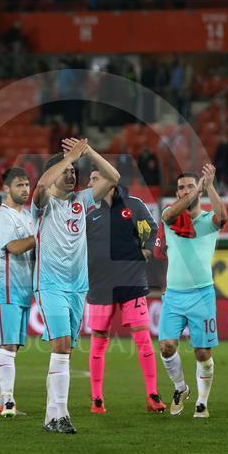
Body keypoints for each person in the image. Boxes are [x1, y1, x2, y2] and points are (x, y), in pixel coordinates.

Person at [33, 138, 120, 434]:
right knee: (60, 346)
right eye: (66, 170)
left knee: (65, 352)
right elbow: (41, 188)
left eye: (74, 170)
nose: (72, 174)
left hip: (78, 288)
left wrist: (89, 152)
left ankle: (50, 416)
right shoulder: (43, 205)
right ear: (55, 172)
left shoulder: (82, 201)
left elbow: (113, 177)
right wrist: (66, 157)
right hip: (50, 285)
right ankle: (61, 415)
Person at [85, 169, 164, 415]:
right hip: (99, 284)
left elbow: (153, 231)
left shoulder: (133, 205)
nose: (89, 183)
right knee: (98, 341)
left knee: (142, 338)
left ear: (108, 182)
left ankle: (152, 394)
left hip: (131, 280)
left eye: (94, 179)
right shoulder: (87, 209)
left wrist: (149, 249)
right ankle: (97, 399)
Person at [158, 164, 227, 418]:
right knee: (166, 346)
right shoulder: (171, 216)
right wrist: (197, 189)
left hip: (202, 295)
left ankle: (202, 402)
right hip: (174, 296)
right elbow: (166, 217)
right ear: (176, 193)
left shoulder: (208, 220)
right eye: (181, 188)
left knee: (202, 352)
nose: (185, 190)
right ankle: (180, 388)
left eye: (190, 185)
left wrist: (209, 187)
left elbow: (223, 217)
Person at [0, 167, 36, 417]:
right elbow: (15, 247)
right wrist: (40, 236)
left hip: (23, 288)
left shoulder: (28, 216)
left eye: (27, 184)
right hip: (5, 287)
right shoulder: (1, 216)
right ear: (6, 188)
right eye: (19, 185)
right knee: (7, 345)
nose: (25, 189)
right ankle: (8, 402)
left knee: (11, 347)